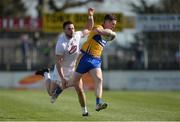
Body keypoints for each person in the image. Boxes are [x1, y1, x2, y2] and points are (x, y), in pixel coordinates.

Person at [35, 8, 95, 116]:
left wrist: (90, 15)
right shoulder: (61, 44)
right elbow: (58, 63)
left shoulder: (76, 35)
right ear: (64, 30)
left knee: (80, 90)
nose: (72, 30)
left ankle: (84, 112)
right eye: (69, 29)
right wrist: (62, 79)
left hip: (73, 69)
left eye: (72, 28)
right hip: (61, 71)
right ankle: (46, 74)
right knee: (50, 93)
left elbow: (89, 28)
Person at [72, 14, 117, 115]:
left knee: (99, 79)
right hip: (84, 58)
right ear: (106, 22)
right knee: (73, 83)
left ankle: (98, 103)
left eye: (114, 25)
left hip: (96, 60)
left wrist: (112, 34)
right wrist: (111, 33)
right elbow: (102, 32)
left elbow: (110, 36)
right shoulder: (98, 27)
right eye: (112, 24)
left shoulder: (108, 34)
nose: (114, 26)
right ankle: (59, 88)